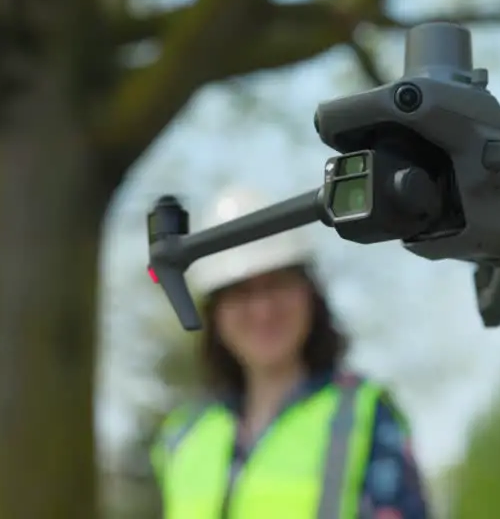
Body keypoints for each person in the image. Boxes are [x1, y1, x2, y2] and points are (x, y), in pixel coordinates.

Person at [151, 187, 430, 519]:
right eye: (242, 292)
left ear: (309, 294)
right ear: (216, 313)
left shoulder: (363, 414)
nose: (263, 310)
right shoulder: (182, 436)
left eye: (278, 283)